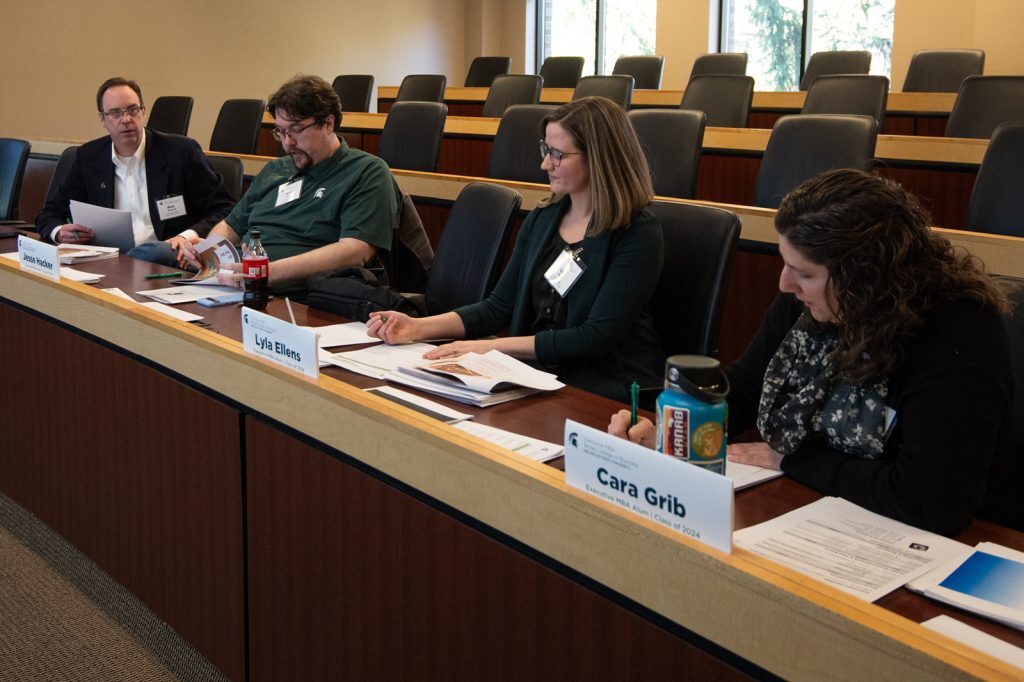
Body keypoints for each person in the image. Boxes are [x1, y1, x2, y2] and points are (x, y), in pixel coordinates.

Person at [610, 169, 1018, 536]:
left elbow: (931, 501)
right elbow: (748, 387)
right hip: (828, 508)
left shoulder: (958, 329)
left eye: (804, 273)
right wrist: (671, 428)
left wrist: (792, 460)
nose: (785, 284)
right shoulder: (810, 303)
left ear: (864, 278)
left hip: (932, 540)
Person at [366, 96, 664, 403]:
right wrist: (416, 327)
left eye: (558, 155)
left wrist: (490, 347)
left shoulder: (637, 232)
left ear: (599, 158)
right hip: (538, 376)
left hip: (605, 387)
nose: (545, 164)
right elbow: (499, 307)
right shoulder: (543, 219)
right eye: (546, 150)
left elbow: (594, 337)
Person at [181, 74, 399, 299]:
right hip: (237, 289)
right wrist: (210, 250)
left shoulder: (366, 171)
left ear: (328, 123)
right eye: (281, 132)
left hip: (301, 300)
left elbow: (355, 251)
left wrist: (266, 272)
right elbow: (231, 225)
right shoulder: (275, 170)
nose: (288, 142)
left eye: (296, 129)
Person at [36, 77, 235, 266]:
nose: (126, 119)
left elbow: (224, 209)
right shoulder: (88, 157)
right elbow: (50, 214)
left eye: (133, 110)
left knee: (152, 252)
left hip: (167, 259)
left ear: (143, 112)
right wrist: (59, 232)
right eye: (116, 113)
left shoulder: (181, 153)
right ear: (102, 119)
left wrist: (186, 236)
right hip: (106, 262)